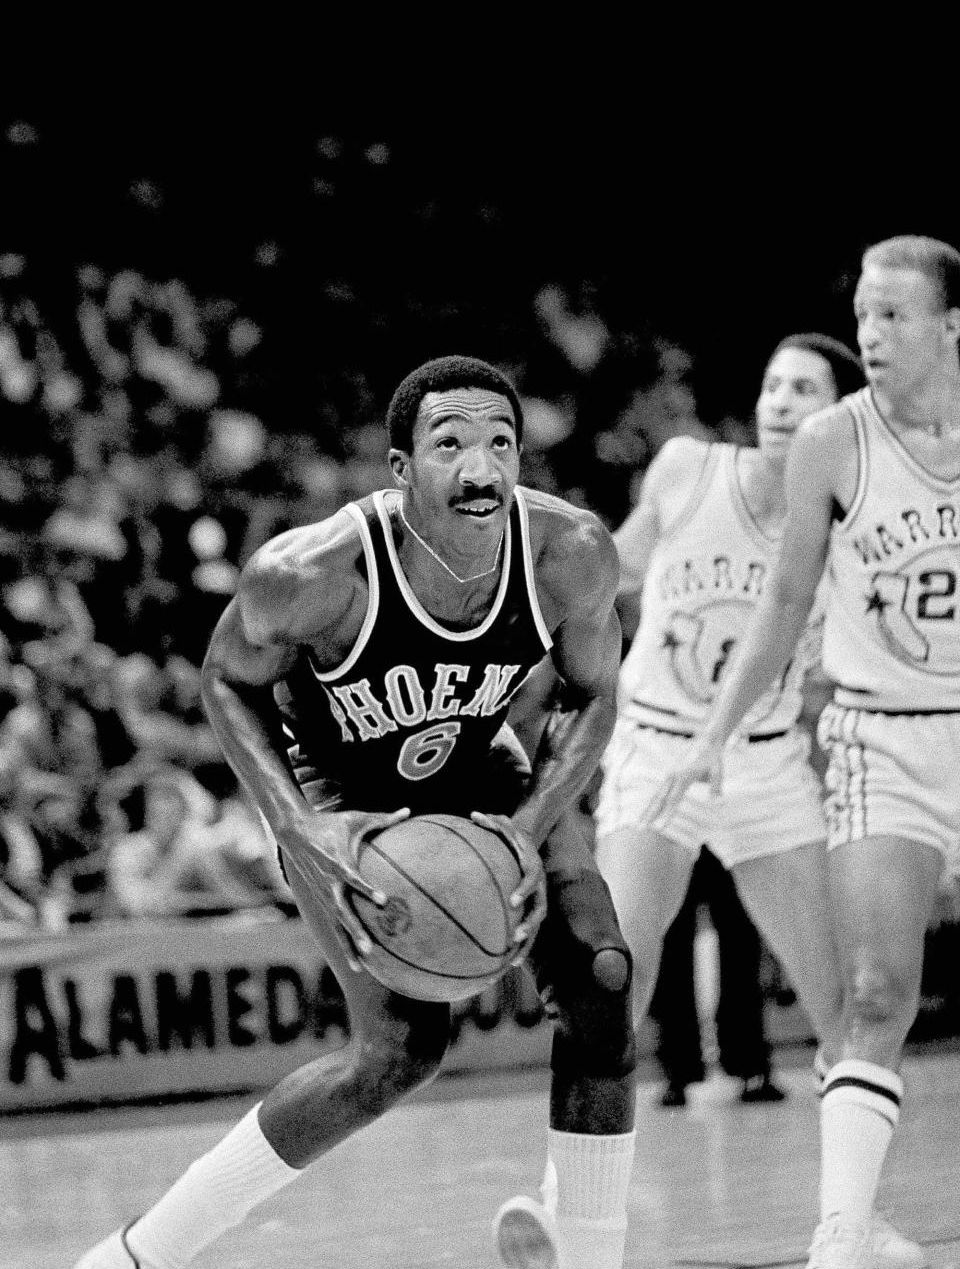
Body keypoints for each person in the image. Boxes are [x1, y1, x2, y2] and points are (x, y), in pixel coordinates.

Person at [75, 353, 637, 1269]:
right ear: (401, 468)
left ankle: (592, 1255)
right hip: (340, 795)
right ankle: (139, 1255)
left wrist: (528, 831)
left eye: (501, 443)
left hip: (479, 769)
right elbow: (225, 678)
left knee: (604, 983)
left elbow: (593, 694)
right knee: (397, 1055)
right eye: (449, 443)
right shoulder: (312, 571)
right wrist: (295, 824)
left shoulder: (568, 551)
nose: (480, 467)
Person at [504, 331, 921, 1268]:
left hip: (766, 770)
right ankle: (561, 1203)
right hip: (657, 754)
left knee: (844, 1005)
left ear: (840, 418)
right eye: (772, 383)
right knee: (619, 971)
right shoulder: (692, 468)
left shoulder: (852, 532)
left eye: (804, 388)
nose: (779, 401)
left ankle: (856, 1220)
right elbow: (603, 571)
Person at [656, 236, 960, 1269]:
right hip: (885, 737)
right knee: (874, 994)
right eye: (864, 316)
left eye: (895, 316)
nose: (872, 335)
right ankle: (841, 1236)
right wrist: (710, 737)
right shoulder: (837, 439)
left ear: (951, 324)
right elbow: (782, 606)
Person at [648, 845, 787, 1107]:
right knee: (677, 944)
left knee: (739, 941)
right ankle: (682, 1071)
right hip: (683, 823)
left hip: (717, 822)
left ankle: (744, 1066)